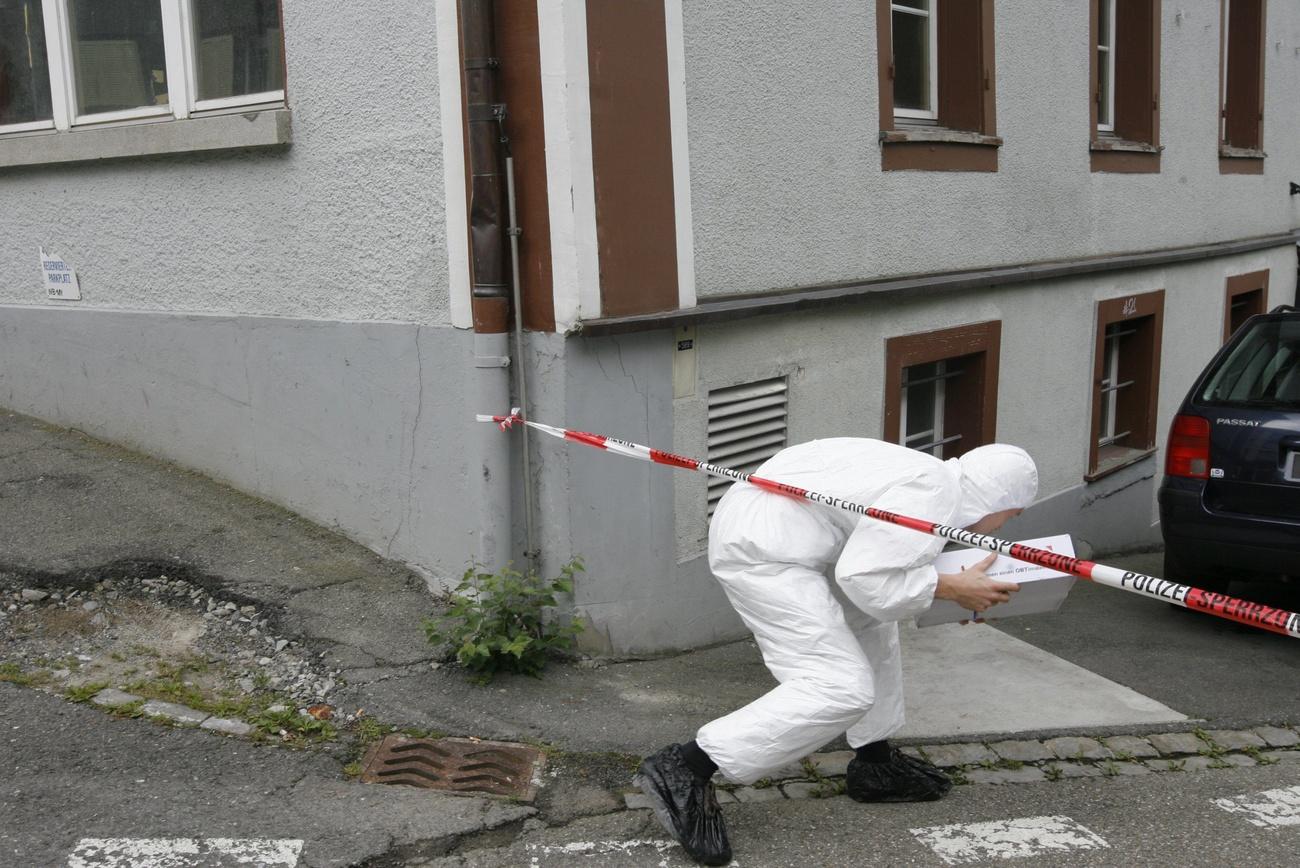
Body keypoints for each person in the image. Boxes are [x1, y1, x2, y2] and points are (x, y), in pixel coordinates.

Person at [634, 438, 1039, 866]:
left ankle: (876, 763)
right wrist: (951, 589)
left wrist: (951, 593)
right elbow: (867, 578)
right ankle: (687, 766)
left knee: (872, 628)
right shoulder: (933, 495)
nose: (1004, 525)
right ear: (999, 500)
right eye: (1013, 514)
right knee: (839, 686)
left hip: (782, 533)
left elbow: (878, 572)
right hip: (766, 554)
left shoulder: (931, 476)